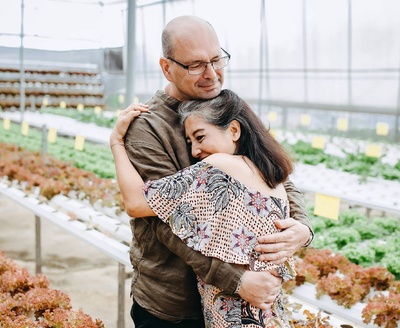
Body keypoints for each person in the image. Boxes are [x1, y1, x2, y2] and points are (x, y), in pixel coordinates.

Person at [113, 15, 313, 328]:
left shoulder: (225, 106)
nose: (212, 74)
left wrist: (302, 227)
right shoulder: (148, 126)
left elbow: (272, 170)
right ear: (167, 67)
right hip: (175, 304)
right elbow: (163, 221)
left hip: (242, 301)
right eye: (195, 65)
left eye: (217, 59)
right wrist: (237, 280)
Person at [111, 89, 298, 327]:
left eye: (200, 137)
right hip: (265, 312)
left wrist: (116, 142)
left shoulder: (219, 167)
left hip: (234, 316)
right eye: (190, 142)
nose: (194, 152)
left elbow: (137, 203)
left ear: (233, 130)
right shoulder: (272, 179)